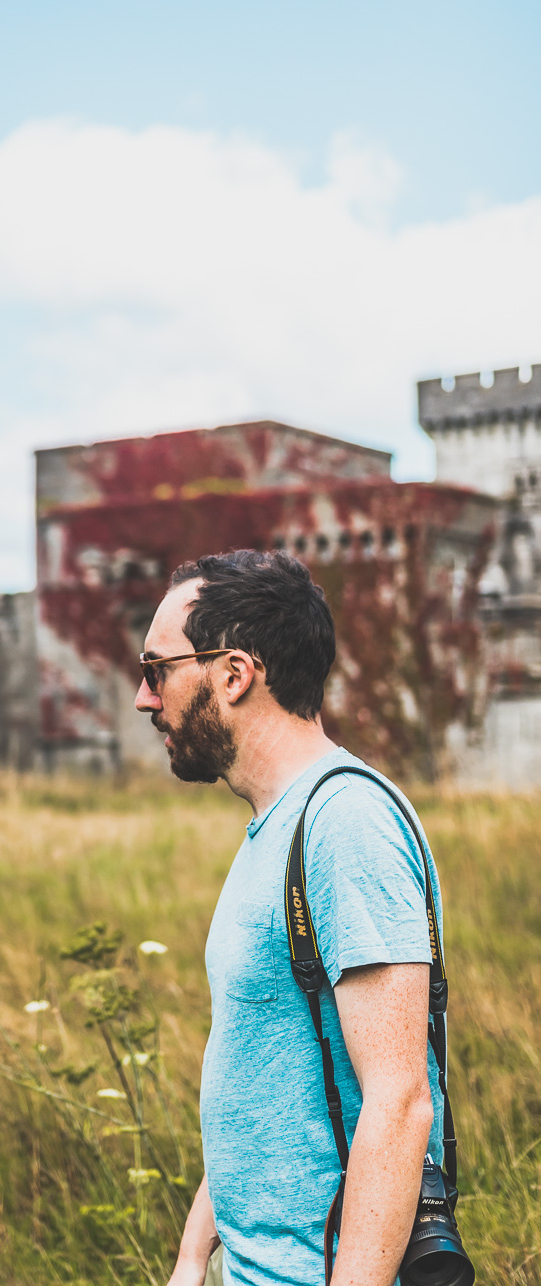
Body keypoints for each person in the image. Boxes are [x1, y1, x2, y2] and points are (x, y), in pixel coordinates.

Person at [134, 549, 446, 1286]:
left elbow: (400, 1106)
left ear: (234, 674)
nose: (145, 700)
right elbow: (265, 1083)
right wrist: (192, 1256)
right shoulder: (279, 825)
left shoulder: (346, 826)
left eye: (157, 671)